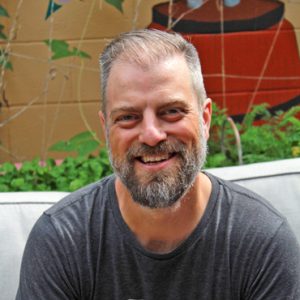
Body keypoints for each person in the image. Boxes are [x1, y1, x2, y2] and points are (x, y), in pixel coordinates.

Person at [16, 29, 300, 299]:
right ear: (106, 128)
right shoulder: (62, 240)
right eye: (128, 117)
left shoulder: (261, 240)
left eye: (172, 112)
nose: (151, 135)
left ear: (205, 118)